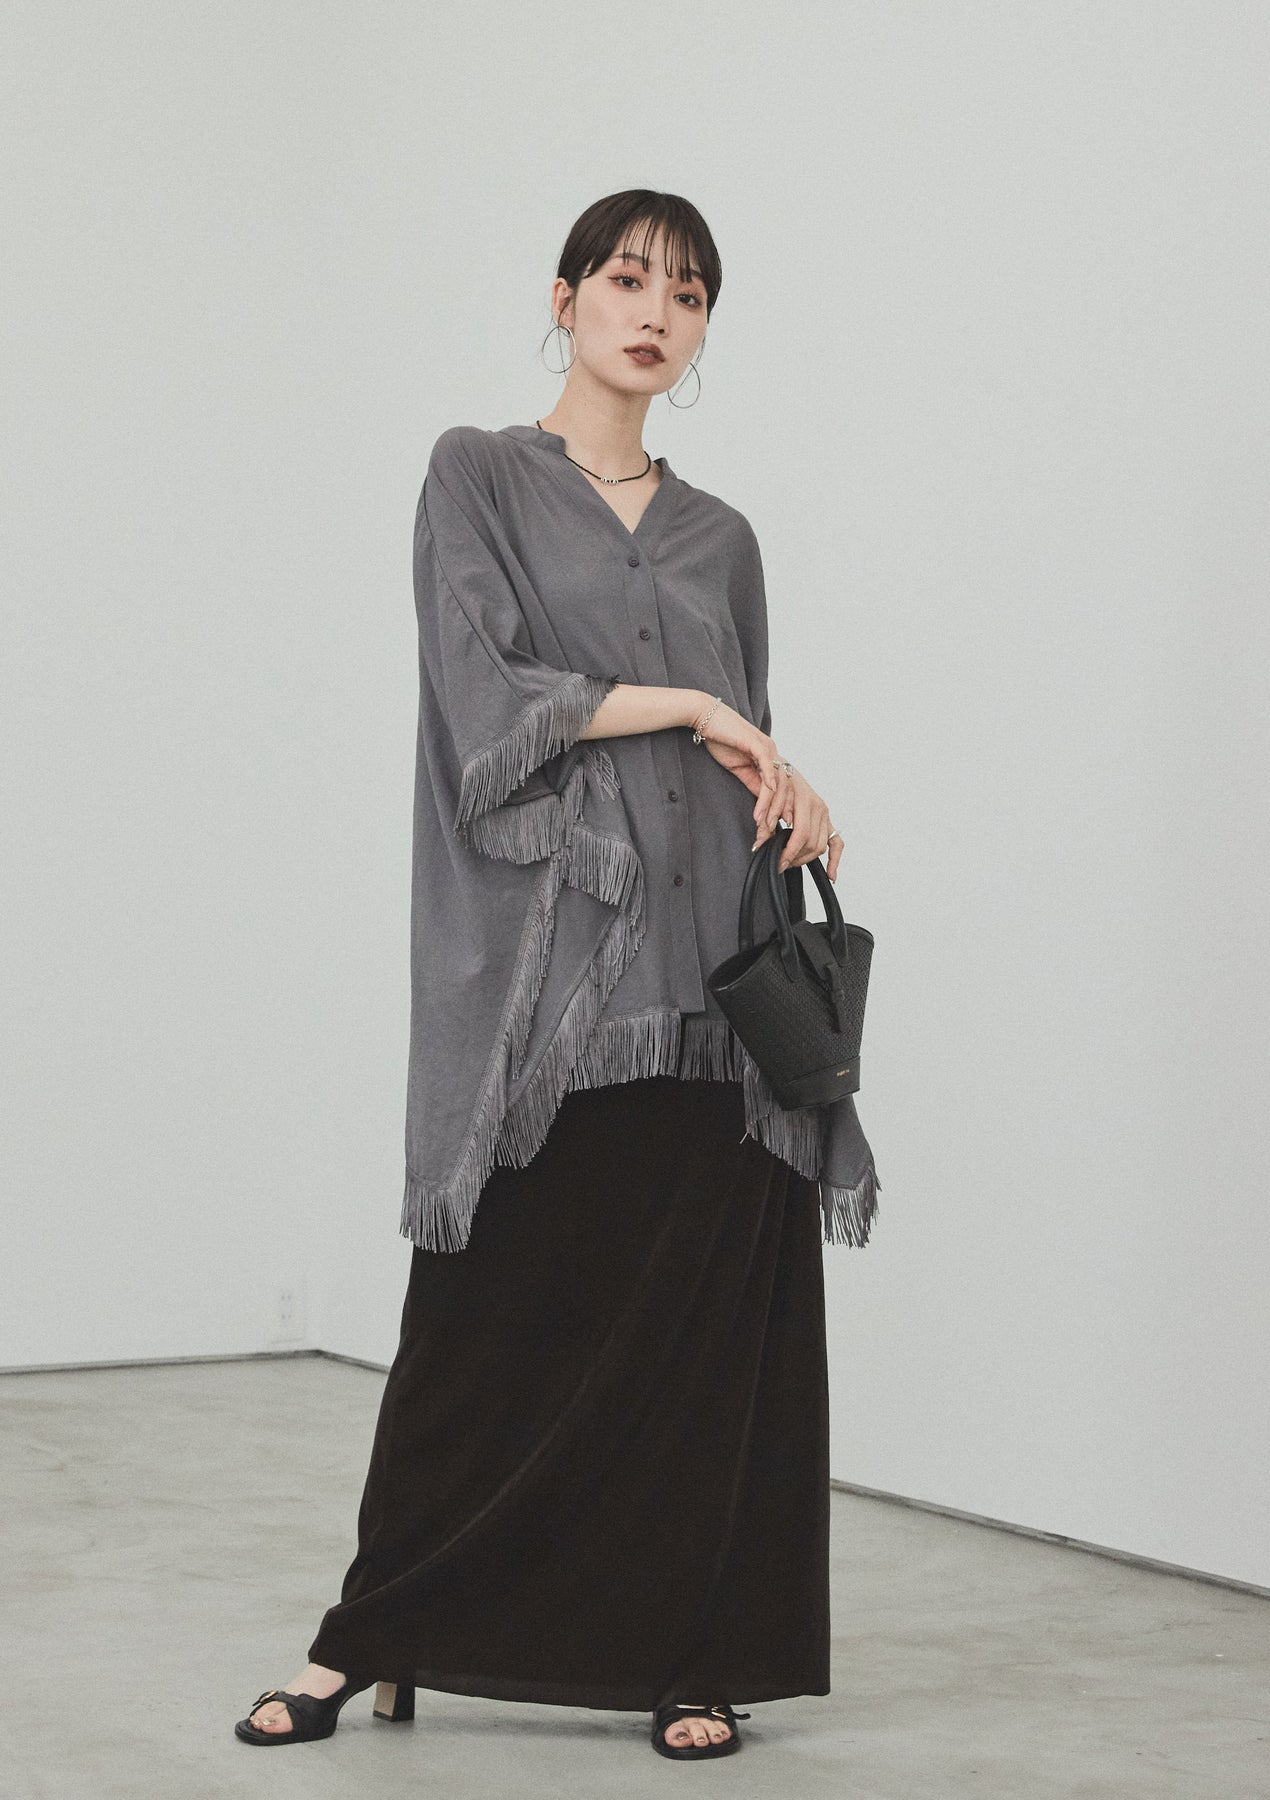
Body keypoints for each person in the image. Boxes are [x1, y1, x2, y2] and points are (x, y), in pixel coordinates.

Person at [235, 188, 880, 1763]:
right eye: (627, 277)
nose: (654, 312)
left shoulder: (722, 538)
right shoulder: (477, 476)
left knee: (703, 1349)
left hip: (714, 987)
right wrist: (694, 709)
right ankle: (367, 1637)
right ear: (565, 297)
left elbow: (735, 729)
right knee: (484, 1330)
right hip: (557, 986)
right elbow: (485, 701)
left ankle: (697, 1655)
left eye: (688, 293)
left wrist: (782, 778)